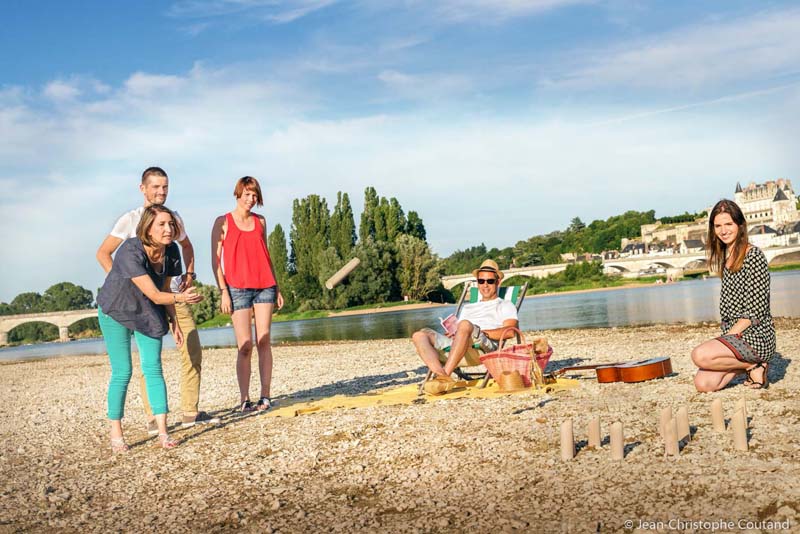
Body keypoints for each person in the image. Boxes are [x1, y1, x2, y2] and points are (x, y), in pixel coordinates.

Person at [96, 166, 218, 431]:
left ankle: (190, 412)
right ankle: (154, 418)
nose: (161, 191)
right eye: (155, 187)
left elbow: (185, 246)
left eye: (165, 187)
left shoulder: (172, 219)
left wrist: (189, 273)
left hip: (173, 293)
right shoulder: (130, 220)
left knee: (191, 348)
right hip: (136, 302)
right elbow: (103, 254)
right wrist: (124, 280)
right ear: (143, 188)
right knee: (146, 362)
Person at [211, 176, 284, 412]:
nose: (251, 199)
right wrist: (223, 291)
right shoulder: (222, 222)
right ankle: (245, 399)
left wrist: (277, 287)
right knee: (245, 345)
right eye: (248, 194)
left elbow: (266, 254)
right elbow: (216, 262)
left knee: (264, 340)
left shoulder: (260, 221)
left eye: (255, 195)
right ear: (238, 193)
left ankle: (265, 395)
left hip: (265, 285)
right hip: (237, 289)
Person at [691, 199, 776, 392]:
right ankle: (751, 366)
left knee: (699, 355)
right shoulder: (726, 257)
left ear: (740, 225)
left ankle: (755, 364)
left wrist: (726, 338)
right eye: (718, 226)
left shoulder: (753, 256)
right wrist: (726, 339)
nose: (723, 230)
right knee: (704, 384)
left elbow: (754, 312)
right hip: (735, 336)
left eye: (728, 224)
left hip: (756, 335)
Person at [412, 259, 518, 393]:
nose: (485, 285)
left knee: (465, 324)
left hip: (482, 347)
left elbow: (510, 332)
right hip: (459, 346)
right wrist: (454, 333)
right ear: (478, 283)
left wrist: (482, 332)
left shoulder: (505, 305)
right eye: (481, 281)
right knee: (419, 335)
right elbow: (461, 330)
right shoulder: (468, 307)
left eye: (490, 281)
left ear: (498, 282)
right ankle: (441, 376)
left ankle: (445, 376)